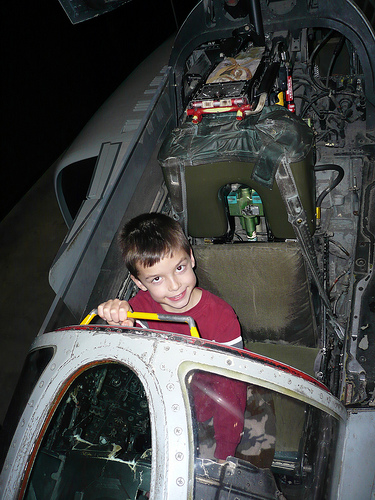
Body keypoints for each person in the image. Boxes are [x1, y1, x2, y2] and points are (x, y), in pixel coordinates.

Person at [98, 212, 247, 461]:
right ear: (139, 282)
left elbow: (231, 390)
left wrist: (224, 455)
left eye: (180, 268)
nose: (175, 286)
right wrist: (116, 324)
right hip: (160, 408)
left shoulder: (222, 318)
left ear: (191, 258)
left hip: (209, 411)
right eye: (157, 278)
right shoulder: (134, 312)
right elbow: (125, 373)